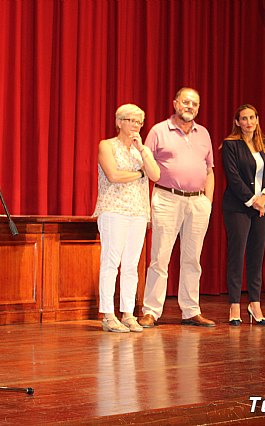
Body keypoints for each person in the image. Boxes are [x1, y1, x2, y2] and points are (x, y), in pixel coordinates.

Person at [138, 88, 216, 328]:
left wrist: (207, 202)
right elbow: (144, 167)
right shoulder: (159, 131)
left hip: (197, 202)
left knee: (193, 259)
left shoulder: (203, 133)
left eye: (194, 103)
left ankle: (191, 310)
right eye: (185, 102)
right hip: (167, 198)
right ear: (175, 103)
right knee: (160, 257)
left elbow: (210, 170)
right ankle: (151, 311)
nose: (190, 106)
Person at [93, 104, 160, 333]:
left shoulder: (141, 151)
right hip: (114, 209)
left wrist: (142, 151)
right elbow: (113, 175)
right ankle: (108, 315)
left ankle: (129, 313)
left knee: (132, 265)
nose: (135, 125)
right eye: (131, 120)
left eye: (139, 122)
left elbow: (156, 175)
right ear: (119, 122)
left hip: (138, 211)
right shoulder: (107, 145)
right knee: (111, 262)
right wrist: (139, 173)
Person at [221, 104, 265, 326]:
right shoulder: (230, 144)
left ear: (257, 119)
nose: (248, 122)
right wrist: (253, 201)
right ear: (237, 122)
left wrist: (264, 198)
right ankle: (234, 306)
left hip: (262, 207)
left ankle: (255, 304)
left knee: (256, 256)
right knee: (237, 254)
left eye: (252, 117)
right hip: (238, 207)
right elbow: (233, 178)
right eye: (243, 118)